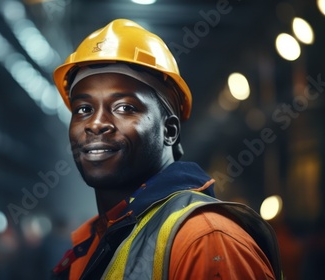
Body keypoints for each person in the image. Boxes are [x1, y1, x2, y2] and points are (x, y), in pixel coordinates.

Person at [50, 19, 282, 279]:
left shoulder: (205, 240)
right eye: (84, 109)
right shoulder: (93, 242)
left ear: (169, 131)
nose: (95, 124)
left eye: (124, 107)